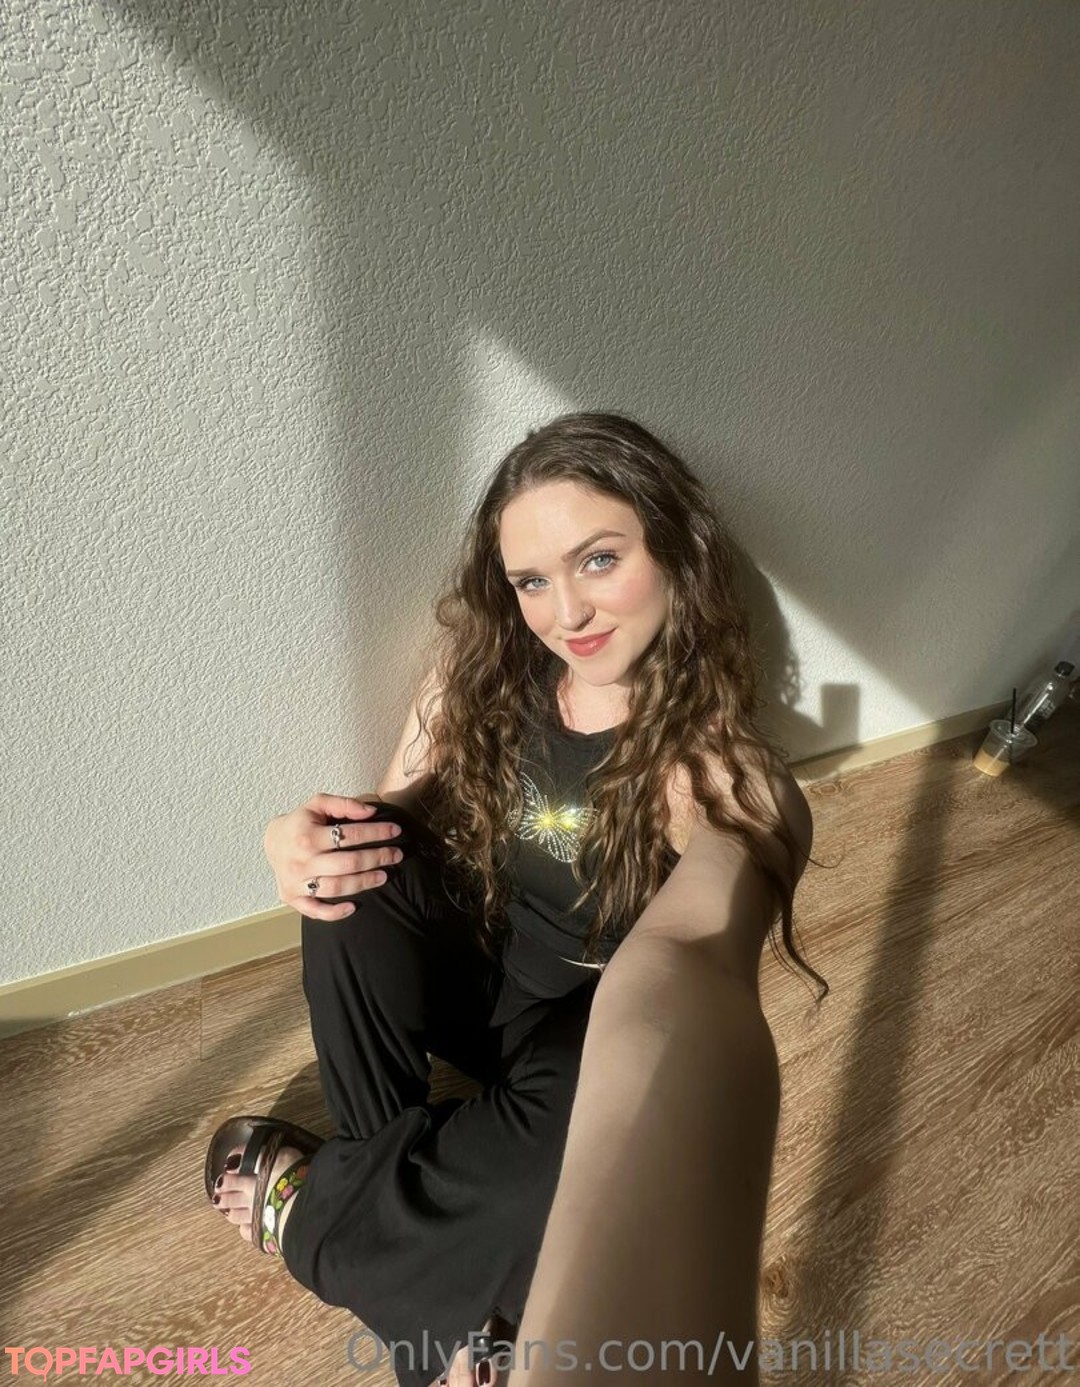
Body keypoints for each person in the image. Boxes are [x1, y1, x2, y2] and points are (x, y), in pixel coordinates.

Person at [204, 412, 827, 1387]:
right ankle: (424, 1238)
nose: (565, 611)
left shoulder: (719, 769)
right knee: (355, 873)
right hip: (480, 980)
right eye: (532, 581)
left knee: (614, 1098)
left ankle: (336, 1218)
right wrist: (297, 844)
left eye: (599, 559)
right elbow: (383, 815)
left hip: (575, 1039)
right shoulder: (483, 668)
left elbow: (700, 959)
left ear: (676, 549)